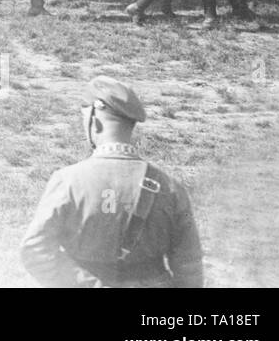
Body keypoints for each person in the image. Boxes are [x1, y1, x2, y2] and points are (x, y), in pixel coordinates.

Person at [20, 76, 204, 288]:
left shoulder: (68, 181)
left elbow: (35, 250)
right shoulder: (170, 187)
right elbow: (189, 264)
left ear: (93, 121)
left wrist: (86, 283)